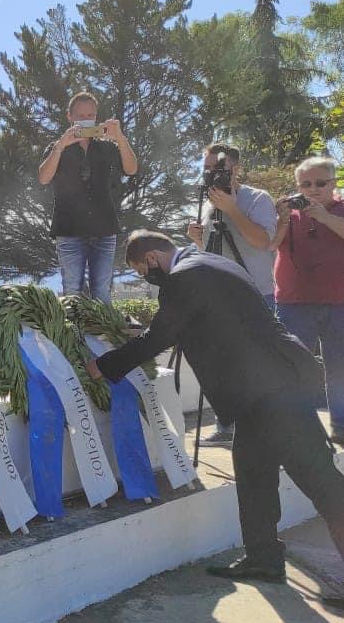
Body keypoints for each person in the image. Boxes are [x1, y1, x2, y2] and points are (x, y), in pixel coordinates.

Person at [87, 230, 344, 596]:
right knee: (253, 475)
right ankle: (263, 558)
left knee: (321, 481)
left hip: (273, 392)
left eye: (142, 272)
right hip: (260, 391)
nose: (146, 278)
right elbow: (206, 320)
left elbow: (160, 338)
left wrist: (104, 365)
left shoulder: (182, 278)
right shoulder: (211, 262)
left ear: (151, 259)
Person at [186, 143, 278, 446]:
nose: (210, 173)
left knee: (255, 365)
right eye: (207, 167)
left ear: (235, 168)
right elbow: (214, 255)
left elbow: (262, 241)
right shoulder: (210, 203)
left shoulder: (257, 198)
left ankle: (260, 429)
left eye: (217, 167)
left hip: (255, 294)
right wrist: (198, 241)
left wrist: (233, 210)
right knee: (221, 363)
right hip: (221, 299)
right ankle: (226, 426)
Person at [270, 155, 344, 445]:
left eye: (320, 182)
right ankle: (298, 426)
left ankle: (340, 424)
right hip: (293, 303)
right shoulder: (290, 212)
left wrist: (324, 216)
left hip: (338, 303)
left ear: (333, 182)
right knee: (293, 366)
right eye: (306, 184)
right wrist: (283, 220)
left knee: (339, 367)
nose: (313, 189)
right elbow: (269, 245)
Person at [38, 92, 138, 304]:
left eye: (90, 115)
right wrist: (60, 145)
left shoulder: (107, 147)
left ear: (96, 116)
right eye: (80, 116)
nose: (85, 120)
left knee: (102, 292)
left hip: (104, 229)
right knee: (72, 293)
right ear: (69, 117)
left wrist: (119, 137)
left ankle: (102, 336)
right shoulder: (58, 147)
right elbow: (44, 178)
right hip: (68, 231)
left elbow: (131, 168)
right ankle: (74, 336)